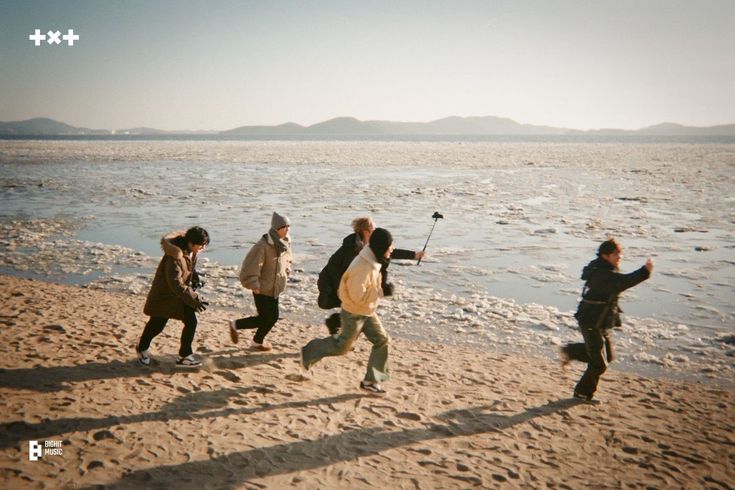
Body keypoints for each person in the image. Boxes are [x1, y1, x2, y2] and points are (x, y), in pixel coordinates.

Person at [301, 228, 395, 394]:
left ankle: (371, 381)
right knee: (342, 347)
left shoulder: (373, 259)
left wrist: (383, 275)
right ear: (381, 248)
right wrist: (381, 292)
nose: (392, 249)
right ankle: (308, 352)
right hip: (353, 312)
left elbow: (370, 286)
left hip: (367, 311)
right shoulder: (363, 266)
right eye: (389, 246)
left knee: (382, 340)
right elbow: (357, 295)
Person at [561, 238, 654, 402]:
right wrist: (644, 272)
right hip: (591, 322)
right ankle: (582, 393)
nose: (619, 257)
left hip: (601, 321)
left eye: (620, 254)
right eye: (616, 254)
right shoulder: (602, 273)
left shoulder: (604, 268)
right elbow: (621, 283)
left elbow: (618, 282)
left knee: (608, 357)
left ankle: (571, 351)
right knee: (599, 364)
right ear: (605, 255)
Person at [318, 216, 424, 335]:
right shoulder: (351, 247)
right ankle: (338, 329)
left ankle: (338, 327)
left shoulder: (370, 245)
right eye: (374, 229)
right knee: (356, 308)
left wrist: (414, 255)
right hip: (332, 282)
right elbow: (333, 268)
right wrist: (339, 287)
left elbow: (388, 252)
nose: (376, 231)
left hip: (350, 283)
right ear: (366, 231)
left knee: (357, 308)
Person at [136, 226, 210, 368]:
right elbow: (175, 283)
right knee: (157, 325)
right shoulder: (174, 256)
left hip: (179, 296)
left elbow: (188, 268)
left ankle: (184, 356)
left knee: (191, 321)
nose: (202, 249)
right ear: (191, 243)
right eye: (201, 246)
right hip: (165, 297)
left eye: (204, 246)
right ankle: (142, 348)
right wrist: (194, 298)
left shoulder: (192, 251)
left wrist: (195, 277)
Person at [229, 212, 292, 351]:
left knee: (272, 317)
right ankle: (240, 328)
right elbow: (250, 266)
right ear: (277, 228)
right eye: (285, 227)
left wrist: (286, 273)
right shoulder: (263, 245)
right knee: (265, 318)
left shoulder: (285, 243)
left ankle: (253, 339)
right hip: (262, 288)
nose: (288, 229)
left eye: (288, 226)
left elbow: (288, 260)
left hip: (275, 287)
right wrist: (253, 284)